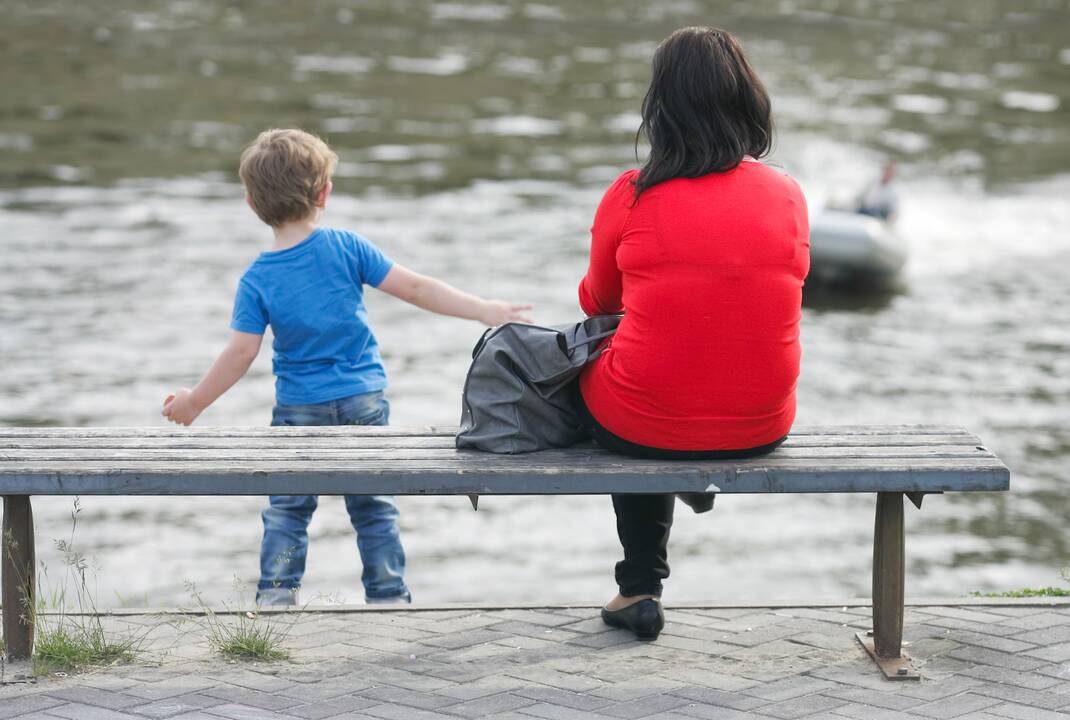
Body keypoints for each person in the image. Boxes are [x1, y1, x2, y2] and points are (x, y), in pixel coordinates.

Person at [162, 128, 531, 606]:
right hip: (364, 402)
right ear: (324, 194)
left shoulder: (257, 279)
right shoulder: (346, 247)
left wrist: (195, 402)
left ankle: (275, 598)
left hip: (299, 410)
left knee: (288, 510)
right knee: (374, 507)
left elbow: (240, 354)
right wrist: (482, 309)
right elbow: (416, 288)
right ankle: (388, 597)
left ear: (251, 203)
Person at [575, 27, 809, 640]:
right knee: (657, 379)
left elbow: (599, 303)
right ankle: (683, 480)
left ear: (662, 108)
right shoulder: (787, 195)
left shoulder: (632, 194)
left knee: (622, 377)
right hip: (761, 422)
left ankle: (640, 589)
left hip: (644, 421)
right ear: (746, 101)